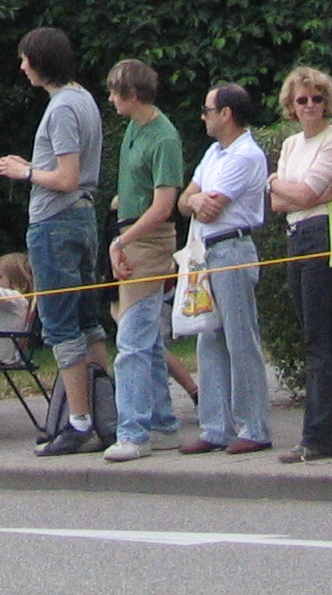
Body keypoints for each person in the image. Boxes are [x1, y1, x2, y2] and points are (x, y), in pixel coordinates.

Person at [0, 26, 106, 456]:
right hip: (82, 220)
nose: (22, 66)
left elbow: (65, 178)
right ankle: (107, 412)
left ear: (43, 62)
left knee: (62, 325)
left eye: (27, 58)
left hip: (55, 223)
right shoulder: (84, 99)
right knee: (87, 320)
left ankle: (79, 421)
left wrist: (24, 172)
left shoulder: (62, 108)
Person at [271, 64, 332, 462]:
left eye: (317, 99)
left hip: (320, 236)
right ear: (291, 104)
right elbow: (279, 204)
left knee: (318, 340)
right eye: (302, 99)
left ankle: (319, 437)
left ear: (328, 103)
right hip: (295, 236)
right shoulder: (291, 145)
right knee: (316, 335)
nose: (309, 105)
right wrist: (288, 191)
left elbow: (303, 196)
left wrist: (276, 183)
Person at [180, 82, 271, 456]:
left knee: (239, 338)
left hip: (232, 247)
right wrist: (195, 199)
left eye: (207, 110)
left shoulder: (245, 155)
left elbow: (211, 205)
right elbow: (187, 201)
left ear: (226, 114)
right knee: (209, 338)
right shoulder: (213, 153)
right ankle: (216, 425)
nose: (203, 116)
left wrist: (197, 199)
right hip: (206, 251)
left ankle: (255, 425)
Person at [102, 57, 183, 462]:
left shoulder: (164, 138)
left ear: (132, 94)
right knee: (146, 339)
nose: (112, 100)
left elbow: (163, 205)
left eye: (115, 93)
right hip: (130, 235)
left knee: (130, 340)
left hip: (149, 241)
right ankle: (162, 422)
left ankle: (133, 430)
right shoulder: (135, 128)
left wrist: (124, 240)